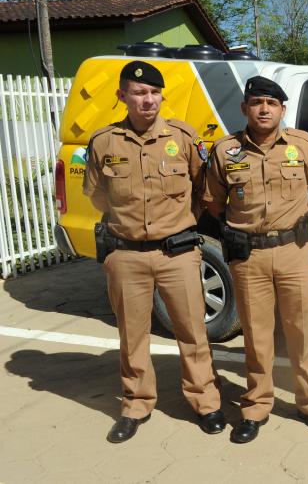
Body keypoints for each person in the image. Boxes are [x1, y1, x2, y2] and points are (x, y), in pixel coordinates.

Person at [83, 61, 224, 443]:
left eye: (154, 93)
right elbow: (96, 195)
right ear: (122, 96)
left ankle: (205, 401)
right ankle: (136, 403)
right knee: (133, 335)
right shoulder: (103, 142)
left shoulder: (182, 136)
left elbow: (202, 190)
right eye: (139, 92)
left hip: (177, 254)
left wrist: (179, 225)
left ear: (162, 96)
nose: (148, 99)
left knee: (193, 331)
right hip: (125, 255)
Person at [203, 76, 308, 443]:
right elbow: (213, 201)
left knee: (301, 332)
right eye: (257, 102)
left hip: (294, 252)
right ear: (245, 108)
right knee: (256, 336)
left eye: (272, 103)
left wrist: (296, 221)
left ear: (282, 109)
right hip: (249, 256)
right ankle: (257, 404)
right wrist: (238, 227)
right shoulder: (225, 151)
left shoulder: (301, 145)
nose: (264, 109)